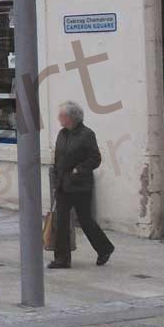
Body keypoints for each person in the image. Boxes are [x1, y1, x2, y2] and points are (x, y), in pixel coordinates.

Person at [48, 101, 115, 269]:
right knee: (62, 222)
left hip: (80, 186)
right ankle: (62, 259)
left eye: (61, 115)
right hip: (63, 185)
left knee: (86, 221)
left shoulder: (86, 134)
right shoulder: (62, 134)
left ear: (71, 117)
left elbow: (95, 158)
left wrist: (79, 170)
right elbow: (59, 159)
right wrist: (57, 178)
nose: (58, 118)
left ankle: (105, 248)